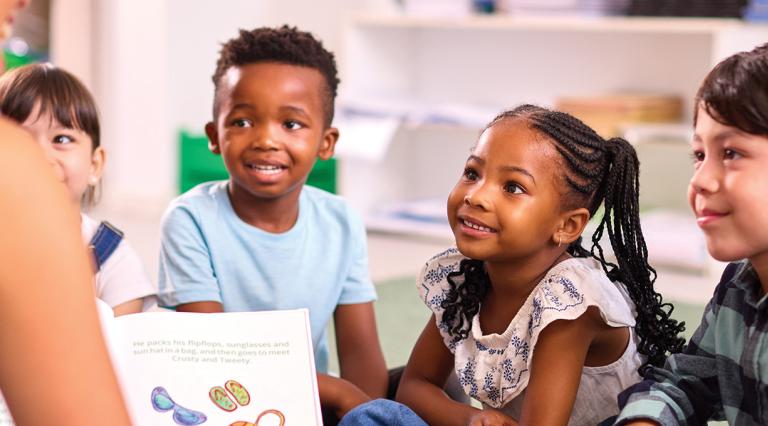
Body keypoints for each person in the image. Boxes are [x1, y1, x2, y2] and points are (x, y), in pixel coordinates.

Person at [345, 104, 686, 425]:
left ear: (567, 226)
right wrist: (470, 418)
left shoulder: (569, 304)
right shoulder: (466, 277)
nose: (475, 195)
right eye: (472, 172)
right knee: (374, 415)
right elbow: (414, 385)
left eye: (512, 187)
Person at [156, 26, 387, 419]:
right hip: (220, 402)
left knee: (420, 390)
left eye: (291, 124)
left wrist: (367, 412)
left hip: (307, 400)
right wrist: (345, 396)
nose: (265, 140)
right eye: (243, 122)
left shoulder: (341, 221)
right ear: (215, 136)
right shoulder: (188, 220)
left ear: (326, 143)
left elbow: (361, 354)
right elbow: (217, 354)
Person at [615, 43, 768, 426]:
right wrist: (645, 420)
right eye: (699, 155)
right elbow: (686, 380)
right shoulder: (740, 283)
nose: (700, 181)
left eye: (731, 153)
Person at [0, 64, 156, 316]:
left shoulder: (113, 258)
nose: (41, 155)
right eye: (20, 138)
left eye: (61, 139)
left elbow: (125, 347)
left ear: (95, 164)